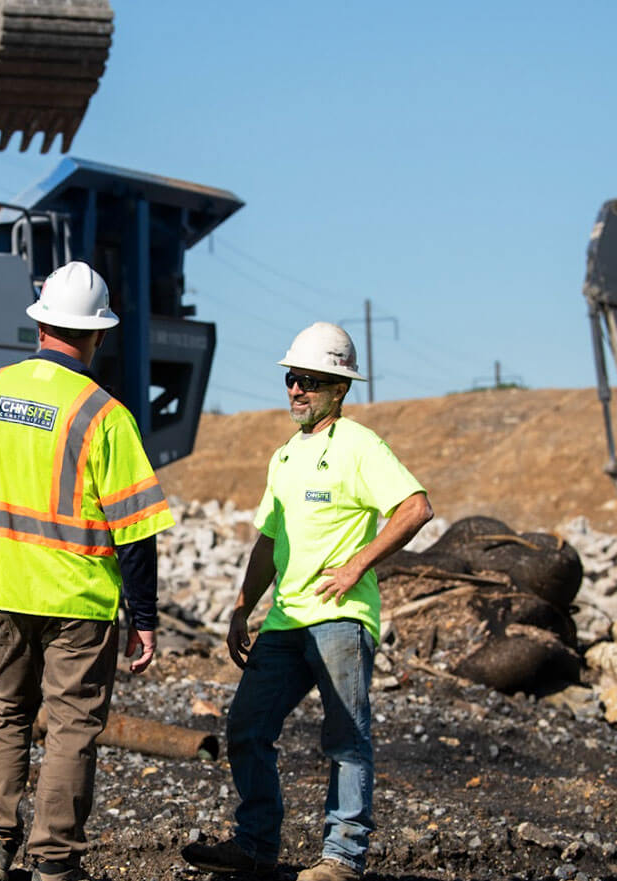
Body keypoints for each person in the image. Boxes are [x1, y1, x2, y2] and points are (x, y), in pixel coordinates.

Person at [0, 261, 175, 881]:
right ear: (99, 335)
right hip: (80, 600)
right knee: (70, 729)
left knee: (6, 710)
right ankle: (55, 860)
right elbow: (135, 531)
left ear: (40, 325)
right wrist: (145, 618)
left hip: (4, 588)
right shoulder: (103, 414)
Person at [181, 322, 434, 881]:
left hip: (341, 619)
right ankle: (255, 846)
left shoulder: (361, 446)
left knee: (346, 738)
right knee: (247, 726)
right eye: (292, 379)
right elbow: (269, 540)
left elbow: (415, 508)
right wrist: (243, 606)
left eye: (311, 383)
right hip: (284, 619)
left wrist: (357, 565)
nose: (296, 391)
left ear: (340, 389)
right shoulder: (285, 457)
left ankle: (342, 857)